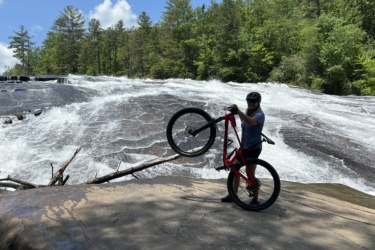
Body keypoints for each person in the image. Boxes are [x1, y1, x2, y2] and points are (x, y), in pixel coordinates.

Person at [221, 91, 265, 205]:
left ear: (258, 102)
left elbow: (250, 122)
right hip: (245, 147)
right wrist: (236, 112)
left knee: (249, 173)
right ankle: (233, 195)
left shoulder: (260, 114)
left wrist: (238, 111)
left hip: (254, 148)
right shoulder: (248, 112)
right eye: (249, 101)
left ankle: (256, 199)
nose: (251, 103)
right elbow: (244, 121)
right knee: (234, 169)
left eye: (253, 102)